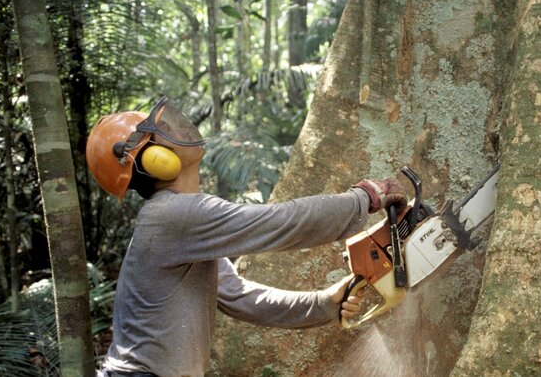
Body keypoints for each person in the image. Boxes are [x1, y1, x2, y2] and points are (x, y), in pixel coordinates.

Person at [85, 96, 406, 377]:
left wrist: (322, 304)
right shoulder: (171, 215)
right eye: (161, 133)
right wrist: (364, 198)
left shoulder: (182, 223)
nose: (178, 129)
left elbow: (239, 296)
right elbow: (278, 223)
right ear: (152, 160)